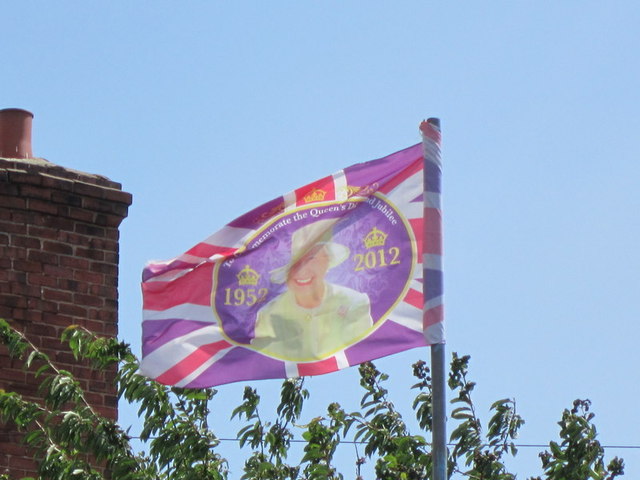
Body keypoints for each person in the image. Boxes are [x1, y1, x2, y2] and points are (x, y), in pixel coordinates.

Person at [252, 219, 373, 360]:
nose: (302, 270)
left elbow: (361, 353)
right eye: (295, 263)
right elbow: (266, 361)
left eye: (311, 259)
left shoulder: (354, 303)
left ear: (327, 261)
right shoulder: (268, 314)